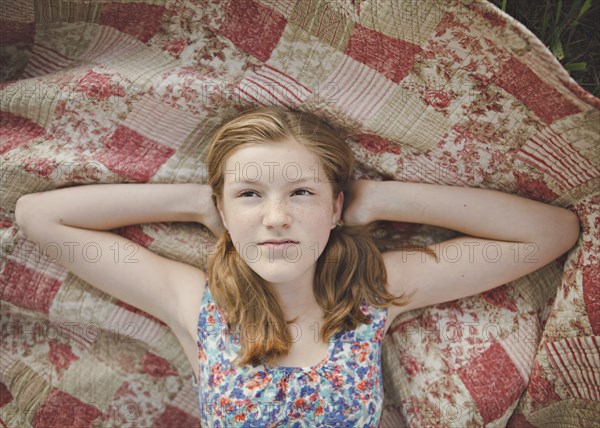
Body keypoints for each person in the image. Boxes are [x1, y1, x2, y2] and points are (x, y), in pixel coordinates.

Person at [14, 107, 580, 426]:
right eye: (251, 195)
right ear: (223, 209)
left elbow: (549, 233)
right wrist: (192, 203)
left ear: (335, 207)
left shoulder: (373, 293)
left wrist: (379, 201)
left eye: (303, 193)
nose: (277, 217)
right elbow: (40, 218)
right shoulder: (199, 305)